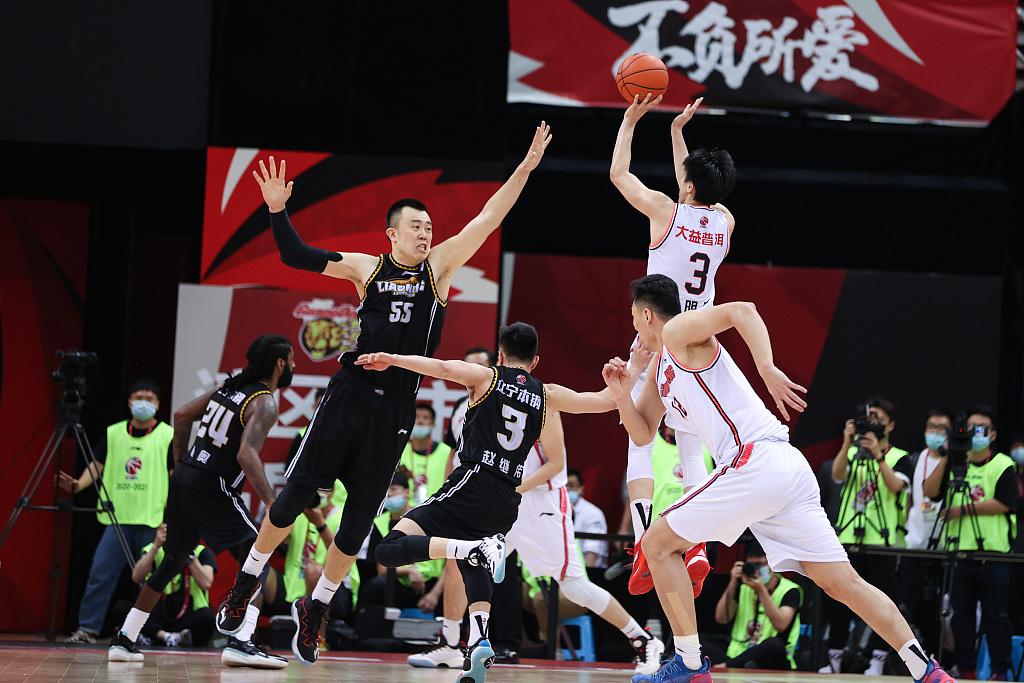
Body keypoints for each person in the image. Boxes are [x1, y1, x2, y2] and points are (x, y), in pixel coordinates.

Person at [218, 124, 552, 666]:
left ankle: (317, 607)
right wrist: (278, 210)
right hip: (350, 394)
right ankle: (246, 582)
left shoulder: (439, 269)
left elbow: (489, 216)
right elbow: (296, 255)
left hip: (396, 406)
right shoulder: (366, 267)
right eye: (416, 226)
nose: (426, 233)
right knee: (294, 496)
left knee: (356, 525)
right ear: (392, 233)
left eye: (430, 227)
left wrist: (526, 168)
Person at [602, 274, 953, 683]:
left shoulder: (678, 331)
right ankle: (925, 669)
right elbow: (643, 432)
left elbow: (742, 311)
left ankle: (690, 664)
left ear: (646, 315)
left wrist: (767, 369)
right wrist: (622, 393)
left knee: (656, 544)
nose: (632, 325)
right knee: (841, 582)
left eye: (633, 317)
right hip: (784, 470)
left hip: (754, 460)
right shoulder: (659, 370)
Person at [358, 321, 665, 682]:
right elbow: (603, 401)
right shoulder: (545, 394)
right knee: (464, 559)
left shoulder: (492, 382)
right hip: (505, 501)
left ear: (500, 356)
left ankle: (643, 640)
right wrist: (634, 369)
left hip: (535, 501)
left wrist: (391, 358)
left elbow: (556, 463)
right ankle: (459, 642)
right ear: (536, 361)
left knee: (569, 583)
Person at [609, 93, 736, 592]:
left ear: (685, 184)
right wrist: (677, 133)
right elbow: (697, 188)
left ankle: (645, 538)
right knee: (690, 443)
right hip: (700, 344)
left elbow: (619, 174)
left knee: (639, 434)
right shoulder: (725, 222)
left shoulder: (666, 212)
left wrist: (629, 122)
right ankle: (697, 543)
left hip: (659, 335)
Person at [107, 334, 293, 669]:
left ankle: (125, 638)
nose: (293, 365)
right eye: (291, 360)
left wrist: (182, 466)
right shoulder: (265, 402)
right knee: (260, 553)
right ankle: (242, 641)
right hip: (211, 483)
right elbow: (246, 454)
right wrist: (272, 502)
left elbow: (180, 416)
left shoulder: (228, 389)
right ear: (280, 364)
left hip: (186, 478)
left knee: (172, 561)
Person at [60, 379, 174, 644]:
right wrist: (77, 485)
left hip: (151, 520)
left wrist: (171, 517)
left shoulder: (167, 435)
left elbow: (173, 476)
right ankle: (87, 629)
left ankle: (153, 633)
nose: (143, 403)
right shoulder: (114, 433)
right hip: (117, 518)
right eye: (139, 397)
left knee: (152, 581)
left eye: (149, 398)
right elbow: (97, 465)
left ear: (158, 404)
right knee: (100, 575)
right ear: (129, 401)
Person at [923, 408, 1018, 680]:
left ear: (993, 435)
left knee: (995, 616)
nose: (975, 433)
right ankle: (965, 670)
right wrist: (949, 455)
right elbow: (930, 492)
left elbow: (1005, 503)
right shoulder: (955, 463)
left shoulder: (1003, 464)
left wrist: (961, 510)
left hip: (993, 553)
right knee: (960, 615)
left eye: (981, 428)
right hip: (959, 552)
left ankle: (999, 671)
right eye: (970, 427)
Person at [825, 396, 912, 674]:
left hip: (881, 541)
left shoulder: (900, 457)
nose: (872, 423)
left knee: (882, 600)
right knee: (840, 598)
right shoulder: (853, 452)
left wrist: (878, 455)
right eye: (869, 417)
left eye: (879, 419)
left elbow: (896, 486)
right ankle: (834, 657)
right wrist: (846, 442)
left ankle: (878, 658)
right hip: (849, 537)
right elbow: (837, 475)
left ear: (890, 425)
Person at [899, 410, 950, 658]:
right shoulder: (913, 460)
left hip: (945, 546)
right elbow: (909, 499)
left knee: (940, 610)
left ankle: (943, 658)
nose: (935, 432)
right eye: (931, 426)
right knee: (911, 605)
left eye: (942, 428)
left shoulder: (954, 464)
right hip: (915, 543)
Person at [702, 541, 802, 670]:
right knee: (699, 642)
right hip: (738, 653)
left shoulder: (790, 590)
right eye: (752, 565)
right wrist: (733, 582)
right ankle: (735, 664)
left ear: (772, 565)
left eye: (760, 564)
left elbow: (781, 625)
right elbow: (721, 618)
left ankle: (728, 666)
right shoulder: (743, 587)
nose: (756, 569)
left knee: (775, 644)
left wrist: (761, 591)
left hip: (769, 658)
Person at [363, 472, 444, 611]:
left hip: (432, 584)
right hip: (398, 583)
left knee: (455, 589)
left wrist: (434, 594)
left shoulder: (426, 516)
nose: (388, 494)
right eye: (385, 490)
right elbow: (381, 569)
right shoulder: (380, 523)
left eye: (393, 489)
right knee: (373, 588)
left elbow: (450, 565)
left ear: (407, 492)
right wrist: (409, 571)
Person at [128, 524, 217, 648]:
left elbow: (206, 583)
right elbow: (136, 577)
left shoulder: (201, 552)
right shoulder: (154, 549)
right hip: (159, 612)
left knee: (207, 617)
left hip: (187, 613)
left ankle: (159, 638)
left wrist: (188, 552)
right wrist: (155, 546)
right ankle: (165, 637)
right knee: (126, 609)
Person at [401, 404, 452, 505]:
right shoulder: (400, 450)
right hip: (403, 511)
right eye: (416, 417)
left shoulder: (447, 452)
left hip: (436, 508)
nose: (420, 421)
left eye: (426, 418)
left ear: (433, 423)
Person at [566, 468, 609, 568]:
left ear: (581, 488)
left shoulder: (593, 513)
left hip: (589, 570)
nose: (567, 489)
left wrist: (586, 575)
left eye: (571, 485)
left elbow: (592, 550)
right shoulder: (554, 510)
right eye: (564, 486)